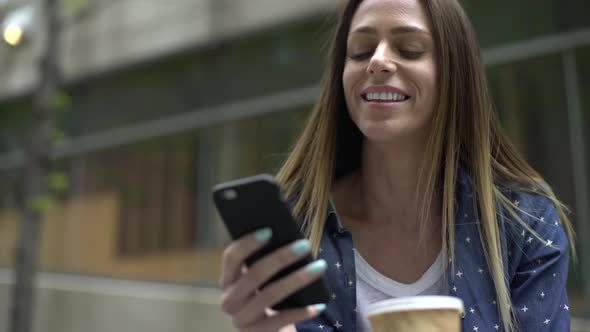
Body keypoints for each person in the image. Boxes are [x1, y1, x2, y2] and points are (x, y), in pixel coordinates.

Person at [218, 0, 576, 331]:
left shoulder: (523, 222)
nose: (377, 61)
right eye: (360, 52)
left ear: (456, 73)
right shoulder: (298, 228)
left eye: (409, 49)